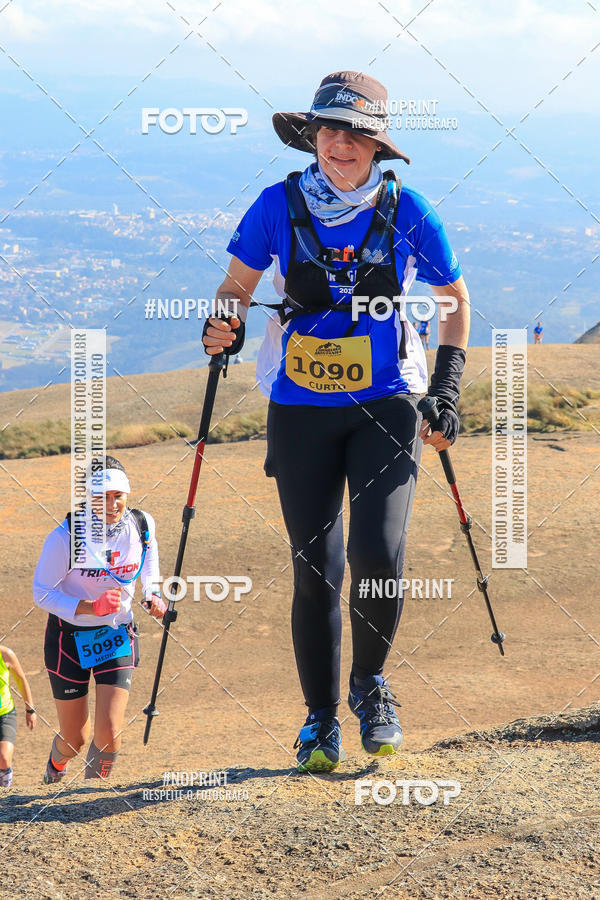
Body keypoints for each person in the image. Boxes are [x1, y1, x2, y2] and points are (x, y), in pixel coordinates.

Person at [202, 71, 470, 773]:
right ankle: (319, 720)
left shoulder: (409, 211)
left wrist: (446, 389)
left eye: (354, 133)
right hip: (301, 408)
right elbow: (236, 288)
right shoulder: (278, 204)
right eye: (328, 131)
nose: (339, 146)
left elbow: (453, 300)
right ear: (311, 136)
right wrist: (221, 326)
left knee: (378, 556)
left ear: (377, 145)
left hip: (386, 403)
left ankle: (370, 685)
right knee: (317, 569)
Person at [33, 455, 166, 784]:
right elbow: (42, 592)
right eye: (101, 497)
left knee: (108, 733)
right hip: (68, 641)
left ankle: (90, 797)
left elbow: (147, 560)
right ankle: (56, 767)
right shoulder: (65, 537)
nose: (111, 504)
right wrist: (91, 607)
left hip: (117, 635)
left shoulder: (142, 524)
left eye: (117, 495)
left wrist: (152, 594)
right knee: (74, 740)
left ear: (127, 494)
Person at [0, 645, 37, 787]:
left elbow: (21, 680)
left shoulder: (5, 654)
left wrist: (30, 710)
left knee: (3, 758)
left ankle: (3, 795)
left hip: (5, 713)